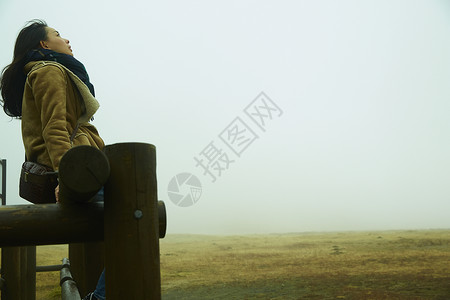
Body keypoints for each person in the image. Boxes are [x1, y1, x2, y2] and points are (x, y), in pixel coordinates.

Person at [0, 19, 105, 300]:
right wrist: (66, 177)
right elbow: (55, 128)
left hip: (84, 167)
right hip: (77, 170)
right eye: (58, 35)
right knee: (133, 220)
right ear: (44, 44)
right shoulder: (49, 71)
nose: (67, 40)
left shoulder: (55, 71)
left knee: (130, 221)